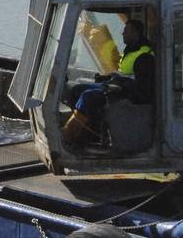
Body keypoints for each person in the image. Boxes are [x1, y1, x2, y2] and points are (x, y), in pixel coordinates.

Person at [63, 18, 154, 150]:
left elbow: (140, 86)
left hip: (125, 93)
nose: (122, 34)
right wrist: (107, 77)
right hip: (116, 84)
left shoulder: (145, 56)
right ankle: (87, 132)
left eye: (126, 31)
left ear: (135, 33)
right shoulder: (131, 49)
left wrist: (119, 82)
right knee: (77, 89)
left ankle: (69, 135)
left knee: (87, 96)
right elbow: (124, 72)